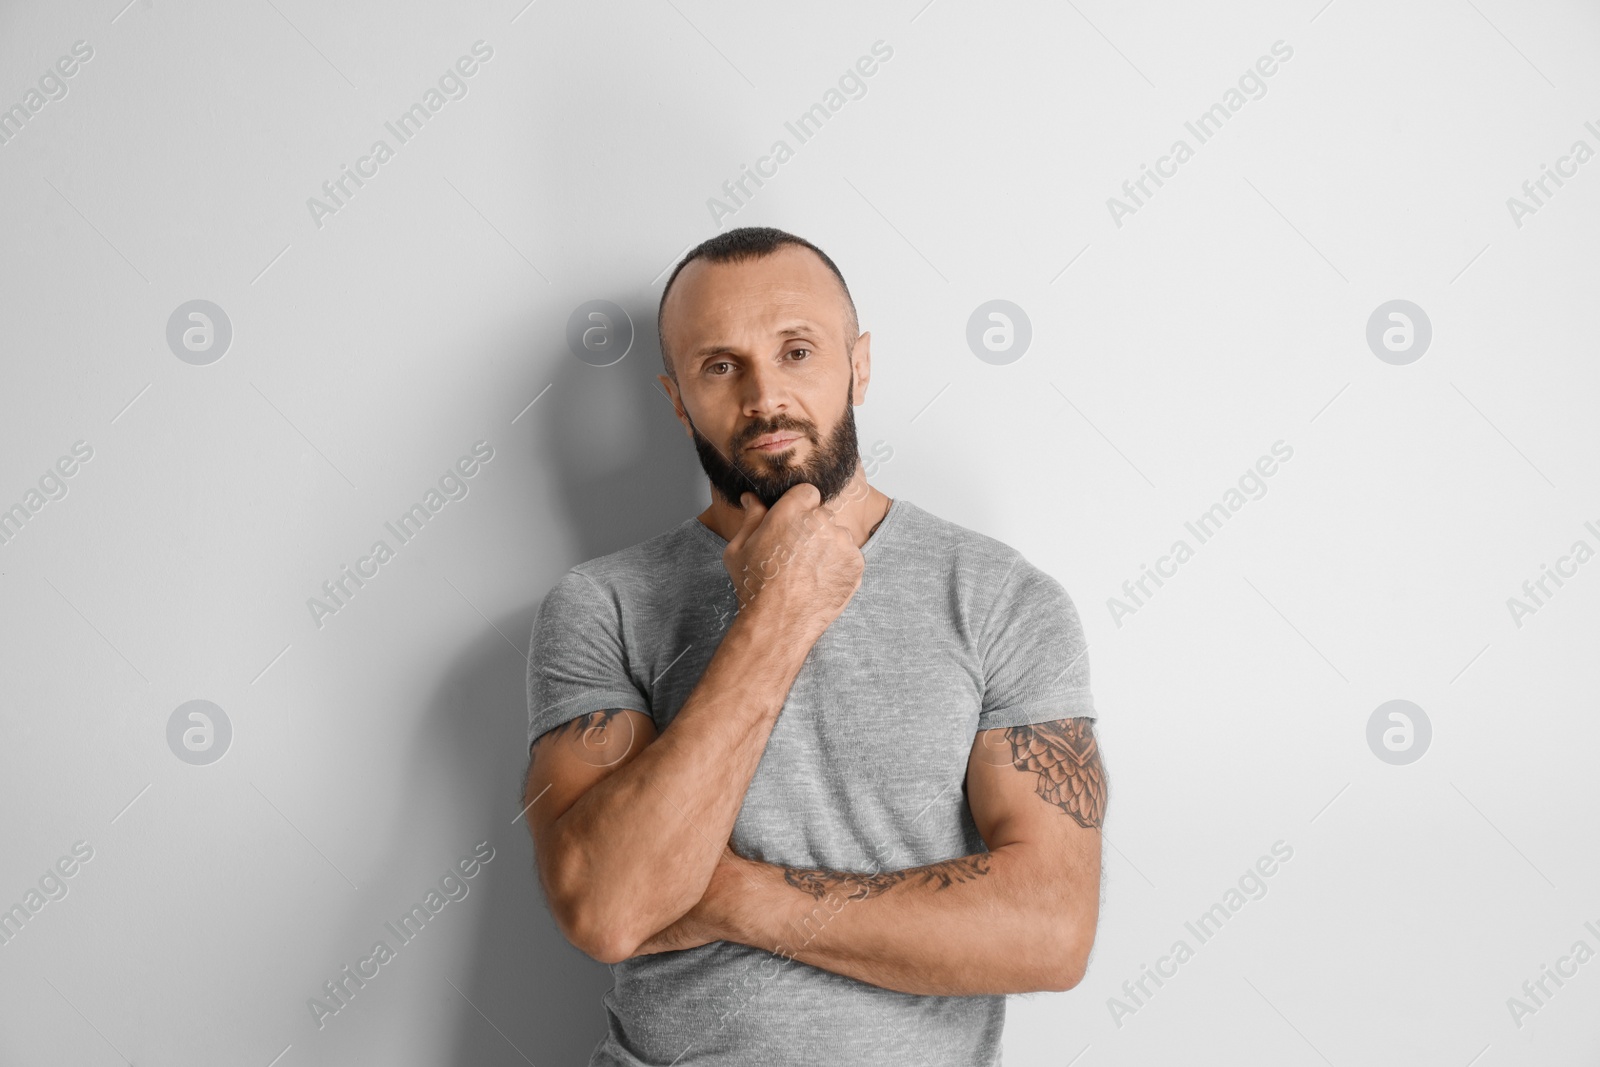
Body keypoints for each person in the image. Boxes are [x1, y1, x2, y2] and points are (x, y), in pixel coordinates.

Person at [522, 226, 1108, 1065]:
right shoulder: (601, 604)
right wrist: (779, 615)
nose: (766, 396)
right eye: (720, 366)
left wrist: (724, 895)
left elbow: (1049, 932)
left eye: (797, 350)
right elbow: (612, 909)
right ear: (677, 398)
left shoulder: (1003, 600)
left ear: (859, 364)